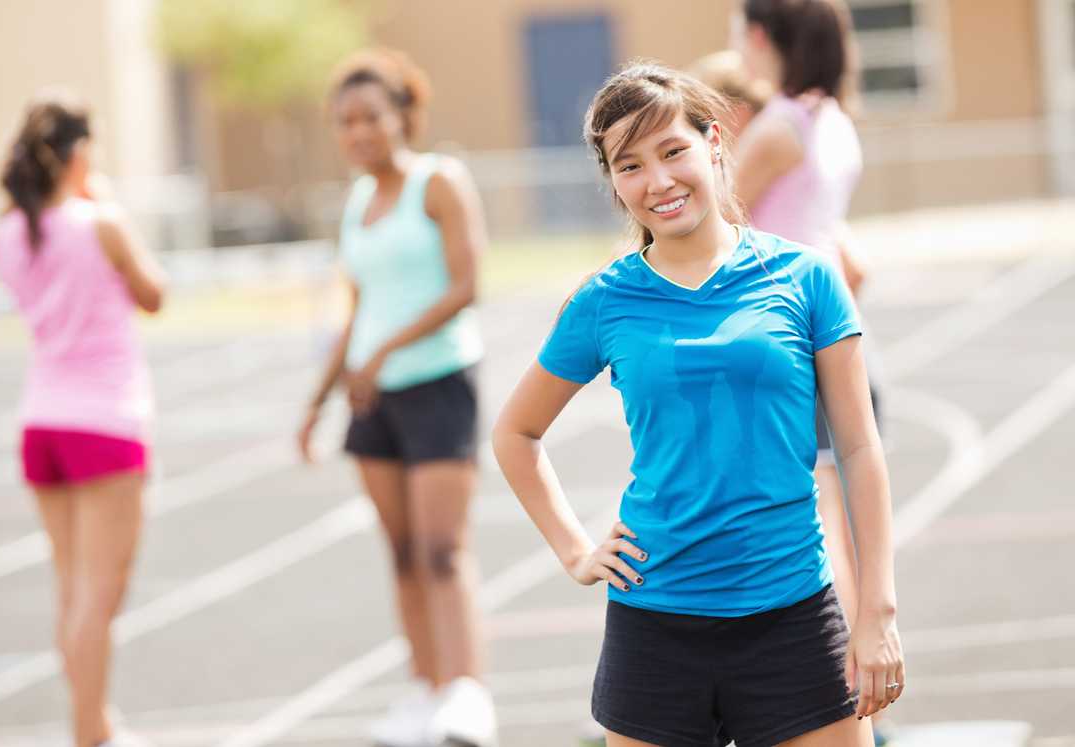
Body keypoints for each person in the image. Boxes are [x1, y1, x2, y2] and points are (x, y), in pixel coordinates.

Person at [492, 62, 903, 747]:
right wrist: (574, 550)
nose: (657, 181)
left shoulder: (807, 278)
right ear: (614, 183)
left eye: (672, 150)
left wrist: (878, 611)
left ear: (715, 142)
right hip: (655, 626)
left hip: (793, 611)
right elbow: (515, 431)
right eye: (630, 165)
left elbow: (858, 448)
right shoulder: (604, 301)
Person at [296, 48, 495, 747]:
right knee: (403, 552)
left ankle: (468, 695)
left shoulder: (440, 182)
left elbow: (468, 285)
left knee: (443, 548)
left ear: (402, 115)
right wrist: (318, 401)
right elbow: (355, 310)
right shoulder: (355, 202)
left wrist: (385, 351)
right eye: (344, 123)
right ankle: (426, 689)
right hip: (370, 400)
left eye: (370, 117)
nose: (357, 133)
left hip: (438, 384)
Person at [0, 93, 165, 747]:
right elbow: (155, 294)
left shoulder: (5, 233)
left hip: (43, 421)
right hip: (105, 421)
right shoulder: (102, 222)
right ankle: (90, 731)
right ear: (78, 153)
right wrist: (105, 205)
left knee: (71, 590)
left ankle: (96, 721)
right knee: (100, 592)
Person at [733, 0, 886, 675]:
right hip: (846, 337)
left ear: (761, 36)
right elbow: (850, 259)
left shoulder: (779, 128)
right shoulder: (834, 122)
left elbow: (703, 232)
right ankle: (862, 699)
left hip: (795, 350)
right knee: (849, 531)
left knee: (817, 534)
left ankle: (843, 695)